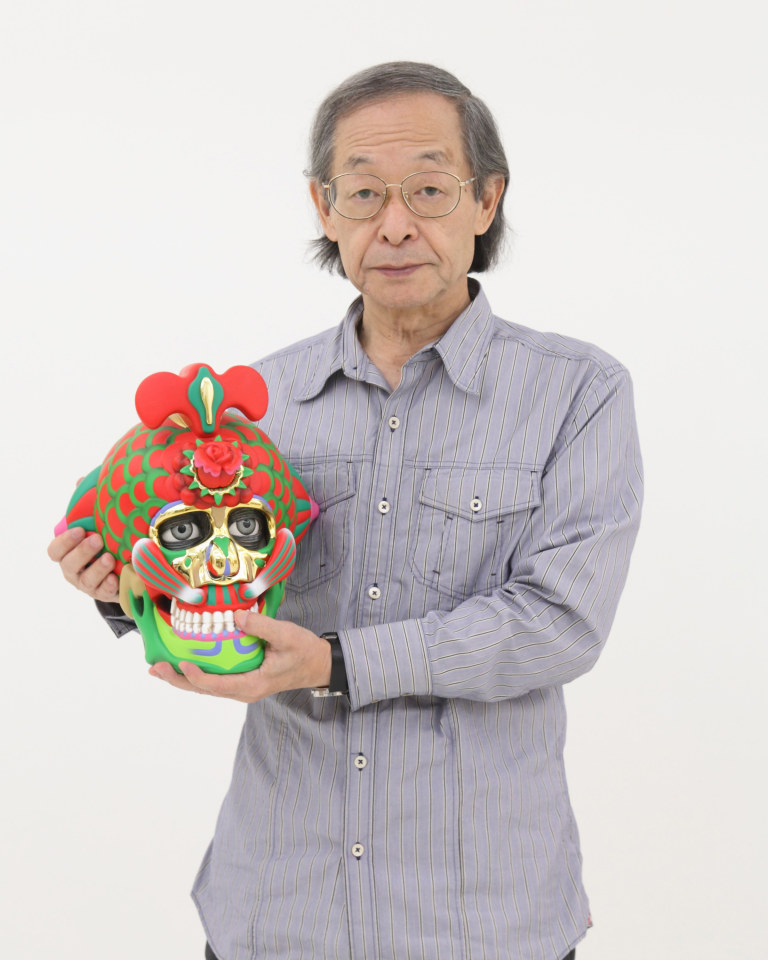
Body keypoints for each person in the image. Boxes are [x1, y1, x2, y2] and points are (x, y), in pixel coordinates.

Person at [49, 62, 643, 960]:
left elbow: (559, 625)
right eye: (363, 192)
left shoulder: (578, 393)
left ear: (487, 200)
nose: (395, 223)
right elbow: (222, 590)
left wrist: (333, 663)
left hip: (484, 918)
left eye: (429, 189)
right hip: (277, 908)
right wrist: (119, 589)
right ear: (324, 209)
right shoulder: (258, 403)